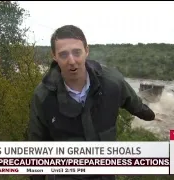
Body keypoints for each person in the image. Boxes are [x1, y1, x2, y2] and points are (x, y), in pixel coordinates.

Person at [28, 25, 160, 180]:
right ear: (54, 56)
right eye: (63, 54)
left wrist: (149, 114)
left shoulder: (112, 82)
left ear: (87, 51)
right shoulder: (43, 96)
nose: (71, 61)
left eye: (77, 52)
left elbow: (133, 101)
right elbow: (36, 145)